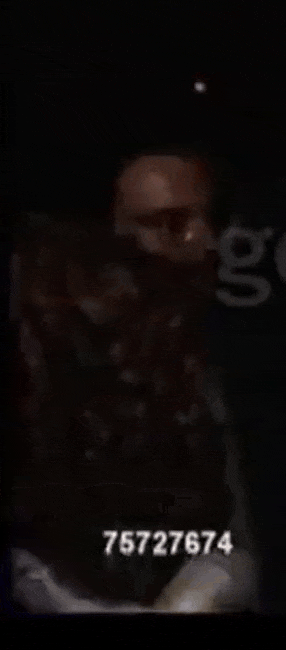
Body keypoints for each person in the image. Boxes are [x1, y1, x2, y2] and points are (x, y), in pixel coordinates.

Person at [7, 145, 258, 613]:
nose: (204, 241)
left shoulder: (225, 353)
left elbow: (244, 530)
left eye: (212, 221)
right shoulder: (40, 352)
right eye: (169, 223)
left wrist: (207, 585)